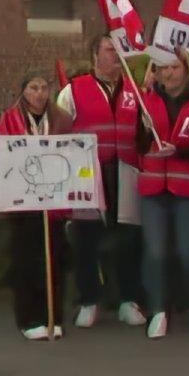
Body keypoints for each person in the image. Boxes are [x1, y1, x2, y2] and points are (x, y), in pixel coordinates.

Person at [53, 34, 148, 330]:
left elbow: (148, 129)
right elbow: (58, 135)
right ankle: (88, 300)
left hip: (127, 170)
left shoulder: (137, 90)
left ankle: (128, 300)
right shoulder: (72, 91)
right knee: (86, 240)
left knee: (128, 240)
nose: (116, 56)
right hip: (87, 174)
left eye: (119, 51)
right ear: (95, 55)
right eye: (110, 50)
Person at [135, 48, 189, 339]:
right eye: (162, 69)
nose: (169, 74)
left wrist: (180, 150)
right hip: (154, 186)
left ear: (185, 68)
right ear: (155, 72)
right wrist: (144, 131)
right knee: (155, 252)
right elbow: (138, 145)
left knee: (188, 249)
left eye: (174, 68)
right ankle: (158, 310)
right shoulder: (146, 101)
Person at [0, 72, 67, 341]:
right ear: (23, 92)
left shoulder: (61, 118)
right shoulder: (9, 119)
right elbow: (2, 156)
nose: (39, 93)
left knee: (53, 260)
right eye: (33, 88)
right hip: (23, 202)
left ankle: (53, 316)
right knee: (27, 260)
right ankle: (29, 319)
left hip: (54, 200)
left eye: (44, 88)